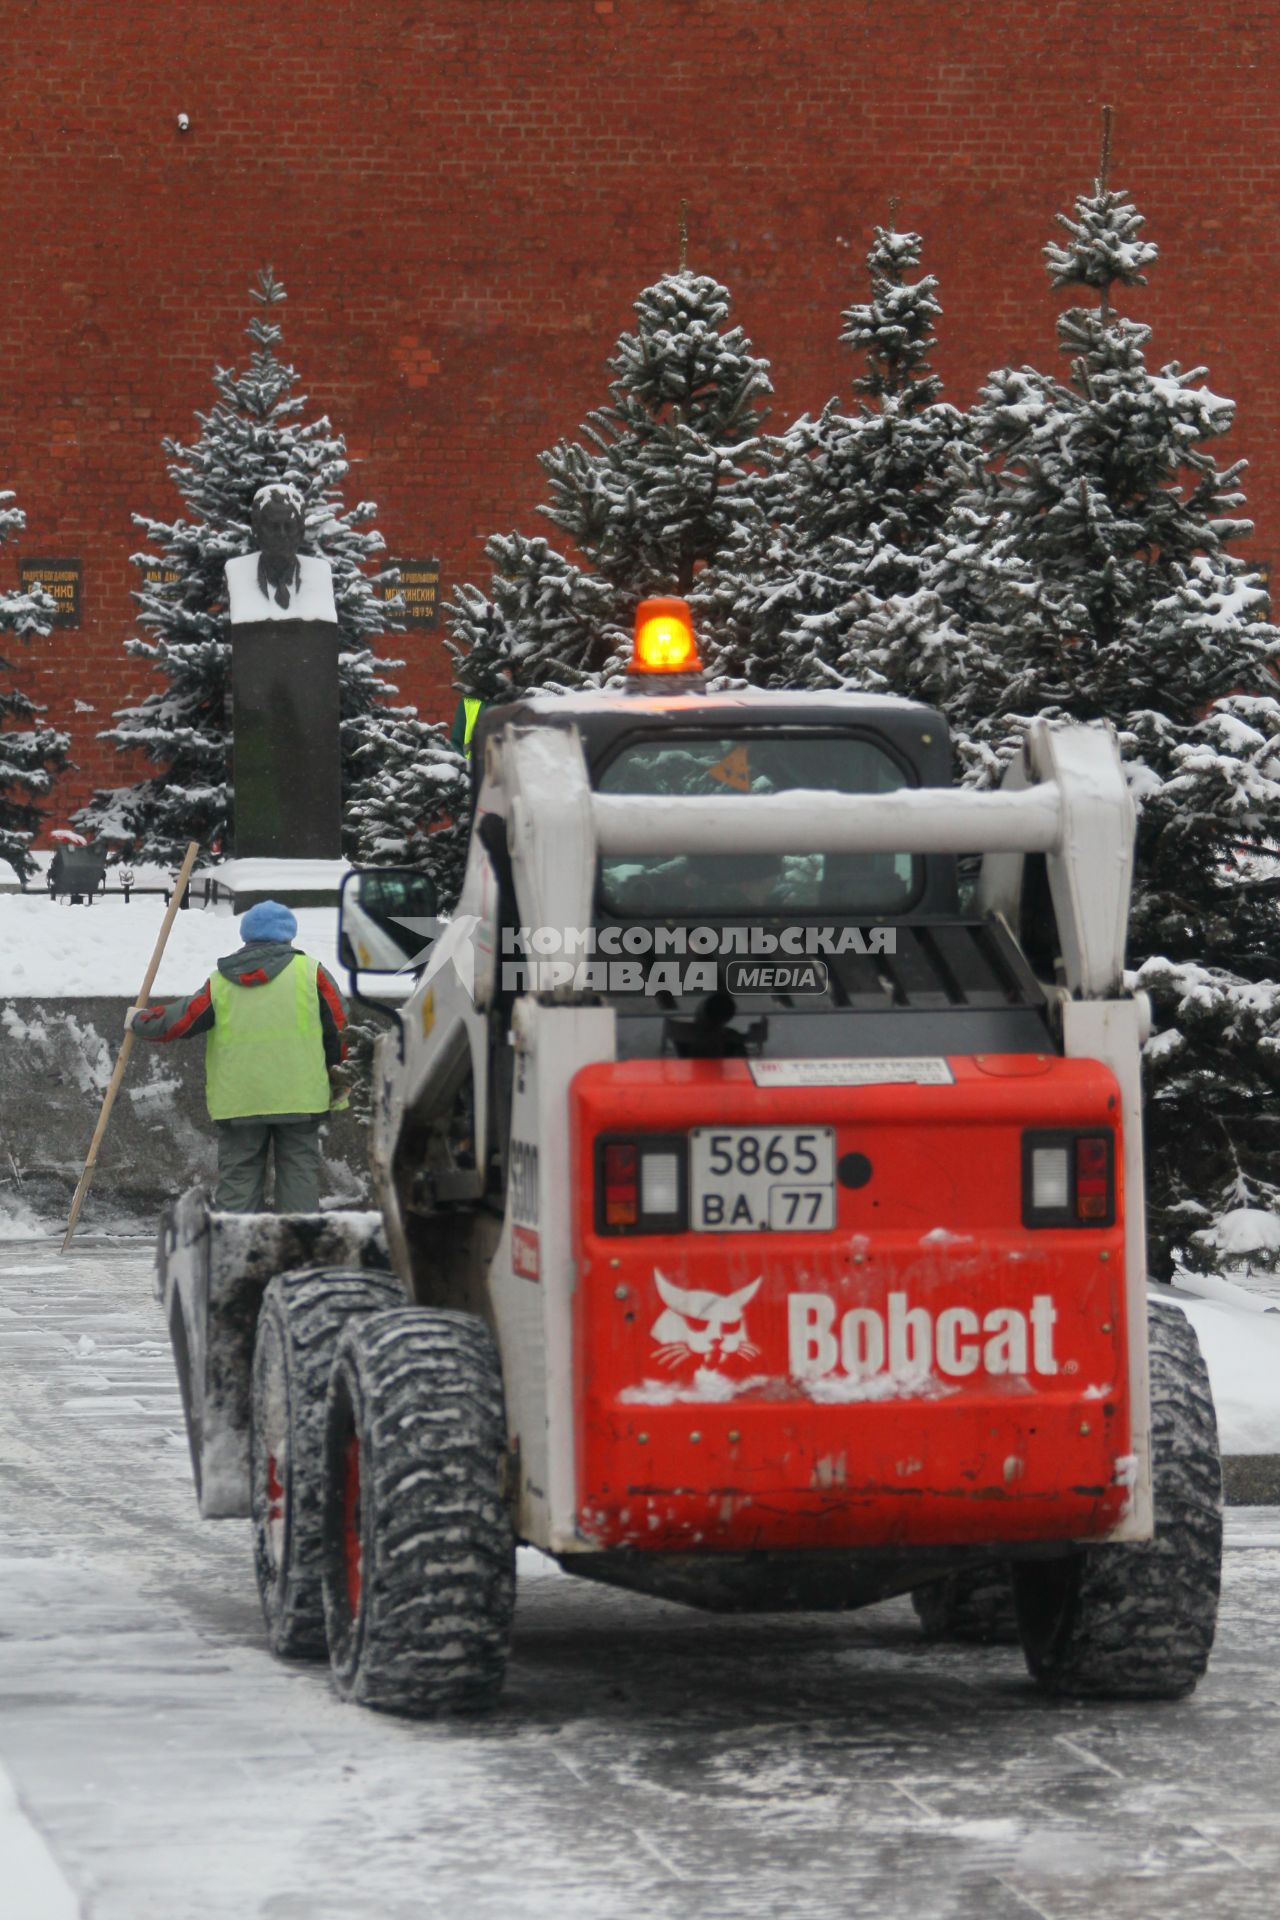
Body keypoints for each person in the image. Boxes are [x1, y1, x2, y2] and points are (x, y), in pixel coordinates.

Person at [126, 900, 347, 1213]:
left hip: (240, 1099)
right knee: (298, 1174)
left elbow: (182, 1020)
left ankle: (234, 1249)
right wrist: (339, 1076)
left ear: (246, 936)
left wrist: (140, 1020)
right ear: (288, 936)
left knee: (239, 1178)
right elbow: (339, 1028)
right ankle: (298, 1248)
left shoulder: (221, 981)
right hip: (301, 1097)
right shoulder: (311, 973)